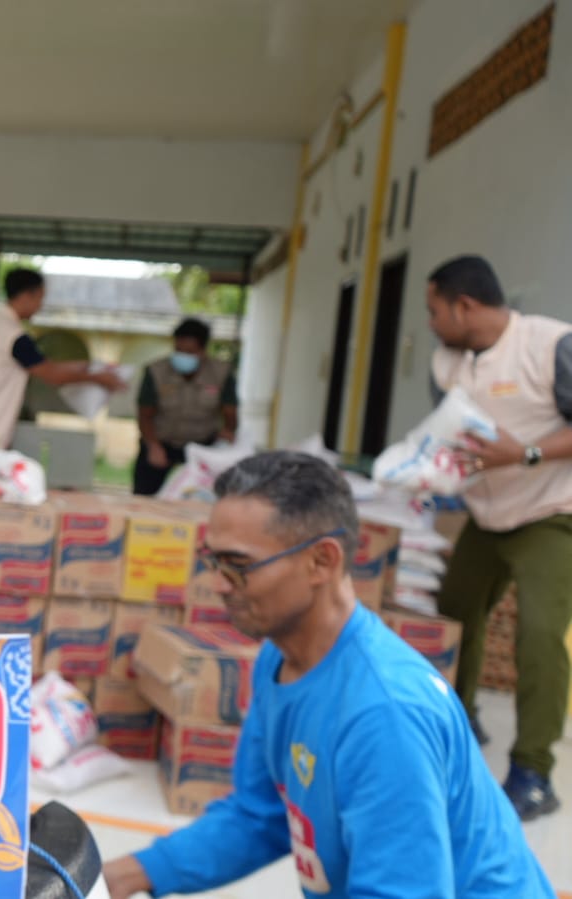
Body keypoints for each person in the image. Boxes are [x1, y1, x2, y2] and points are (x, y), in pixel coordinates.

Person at [102, 451, 553, 899]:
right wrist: (124, 876)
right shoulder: (279, 661)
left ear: (322, 561)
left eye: (238, 566)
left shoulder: (384, 713)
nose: (219, 583)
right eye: (213, 561)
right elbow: (260, 817)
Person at [426, 254, 572, 820]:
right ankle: (456, 728)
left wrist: (525, 454)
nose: (432, 322)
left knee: (538, 632)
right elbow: (448, 433)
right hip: (485, 515)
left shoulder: (549, 346)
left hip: (551, 512)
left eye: (435, 310)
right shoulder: (448, 362)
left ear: (465, 306)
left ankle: (534, 772)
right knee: (453, 615)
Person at [0, 268, 126, 449]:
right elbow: (51, 374)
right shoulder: (14, 336)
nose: (40, 305)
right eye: (40, 297)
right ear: (27, 295)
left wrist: (90, 366)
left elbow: (44, 364)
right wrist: (98, 378)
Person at [133, 317, 238, 496]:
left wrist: (228, 433)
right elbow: (145, 414)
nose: (183, 356)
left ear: (203, 351)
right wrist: (153, 446)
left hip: (202, 445)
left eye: (190, 351)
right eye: (178, 350)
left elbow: (230, 411)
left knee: (202, 498)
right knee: (145, 497)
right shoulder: (156, 371)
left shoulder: (221, 373)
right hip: (161, 443)